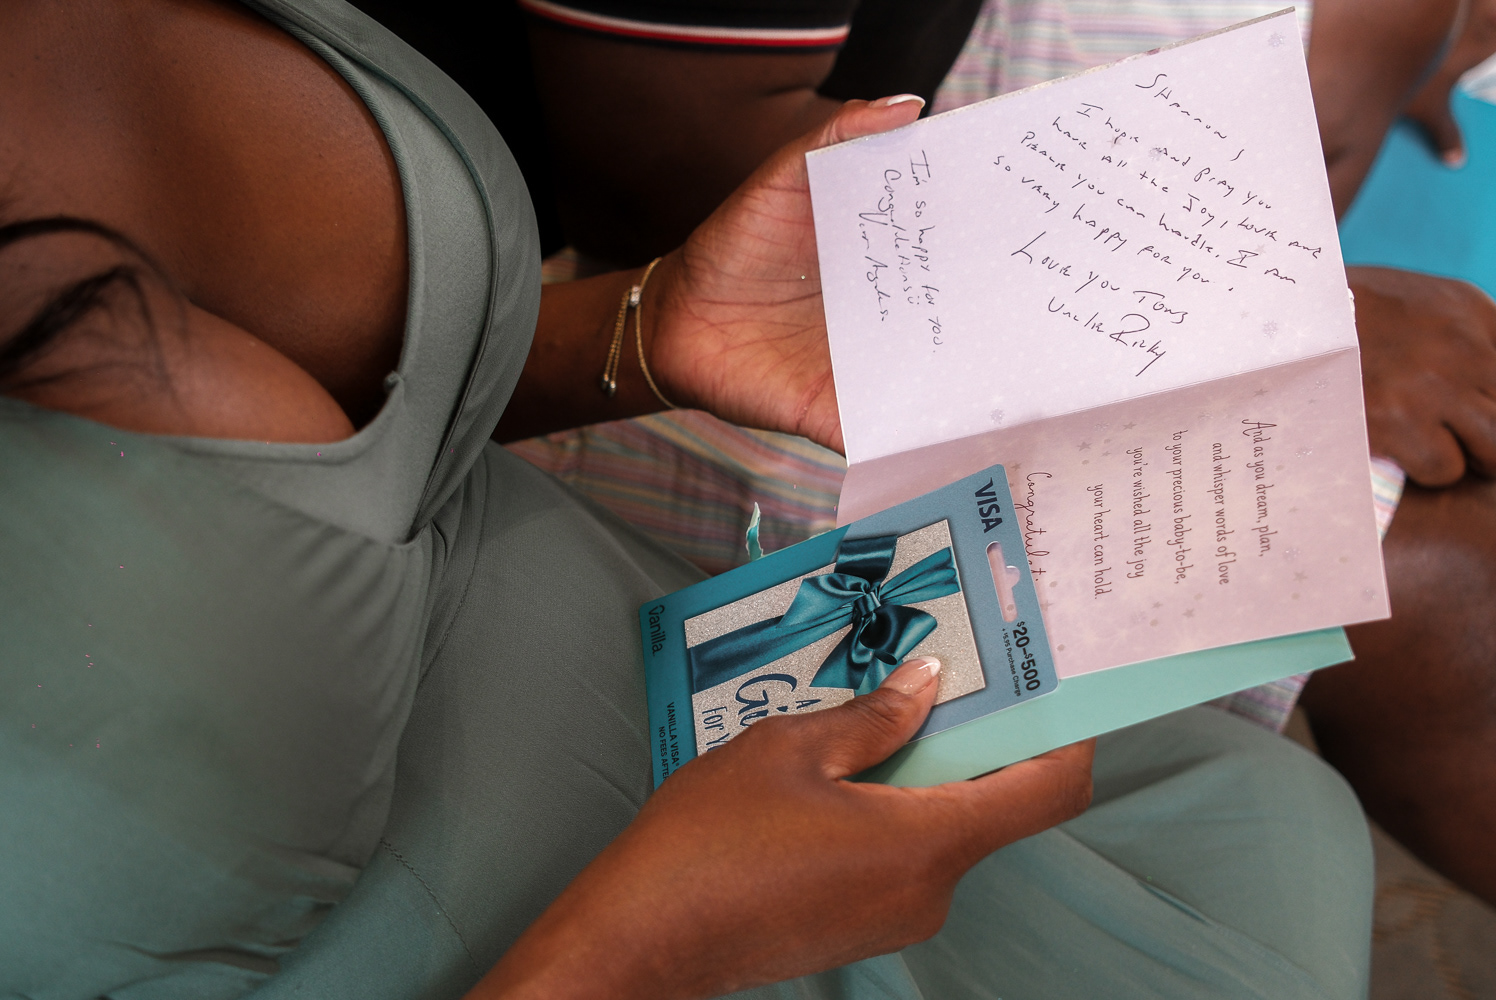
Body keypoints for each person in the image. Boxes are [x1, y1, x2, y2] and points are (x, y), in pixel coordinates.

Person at [1, 1, 1372, 998]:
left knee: (1262, 812)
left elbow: (350, 418)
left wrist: (648, 332)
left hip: (729, 715)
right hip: (632, 931)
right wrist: (640, 954)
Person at [422, 0, 1496, 907]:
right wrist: (1253, 305)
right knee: (1447, 564)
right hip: (642, 294)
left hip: (917, 61)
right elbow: (651, 163)